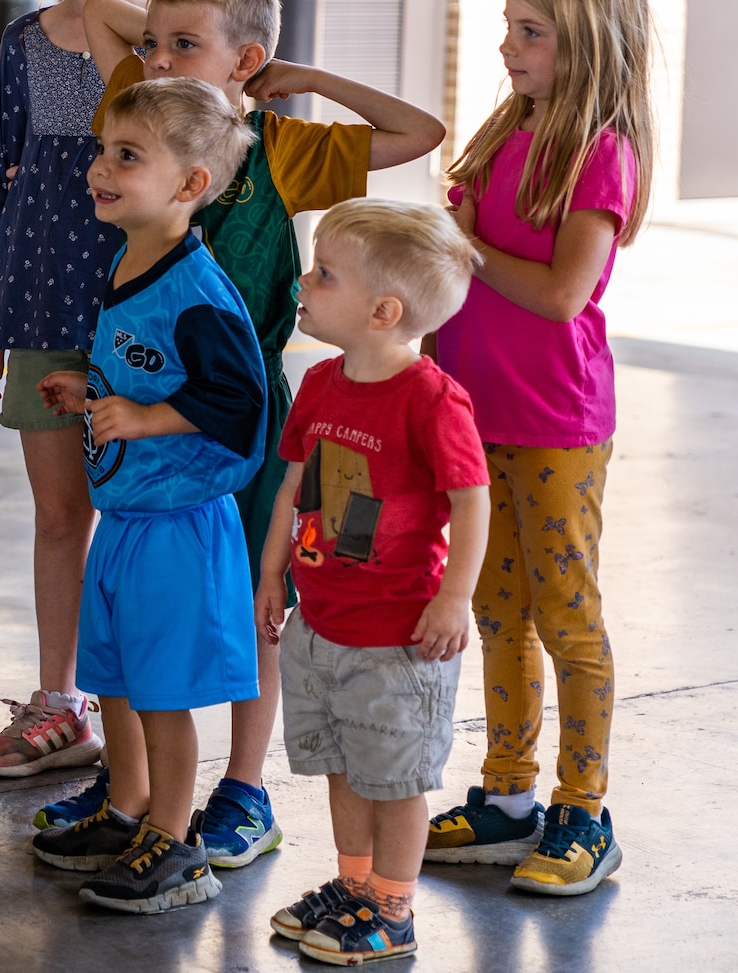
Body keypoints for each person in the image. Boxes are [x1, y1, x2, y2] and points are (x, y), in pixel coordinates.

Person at [47, 0, 445, 869]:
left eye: (186, 43)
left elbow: (419, 132)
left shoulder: (284, 143)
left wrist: (300, 80)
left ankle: (245, 785)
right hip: (144, 409)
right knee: (150, 613)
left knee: (249, 609)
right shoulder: (140, 114)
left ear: (248, 59)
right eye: (151, 43)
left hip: (239, 417)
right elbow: (100, 11)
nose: (156, 58)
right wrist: (163, 43)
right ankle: (136, 789)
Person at [422, 0, 654, 898]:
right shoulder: (503, 126)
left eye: (530, 32)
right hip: (475, 410)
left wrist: (462, 247)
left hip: (556, 420)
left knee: (566, 614)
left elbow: (563, 295)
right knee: (496, 607)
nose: (507, 47)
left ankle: (582, 807)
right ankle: (509, 795)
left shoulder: (601, 153)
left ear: (589, 42)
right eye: (508, 26)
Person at [0, 0, 164, 793]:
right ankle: (60, 700)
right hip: (41, 302)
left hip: (136, 316)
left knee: (134, 513)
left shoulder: (165, 43)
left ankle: (141, 716)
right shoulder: (20, 40)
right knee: (56, 515)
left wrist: (119, 21)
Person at [29, 77, 265, 914]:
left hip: (176, 526)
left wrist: (144, 415)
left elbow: (241, 405)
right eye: (104, 150)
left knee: (163, 696)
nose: (100, 167)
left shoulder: (198, 291)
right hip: (128, 520)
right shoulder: (131, 258)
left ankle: (176, 842)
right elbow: (143, 368)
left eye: (126, 156)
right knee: (119, 679)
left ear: (189, 186)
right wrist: (89, 388)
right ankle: (125, 807)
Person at [254, 198, 490, 966]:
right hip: (322, 624)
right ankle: (355, 889)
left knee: (394, 781)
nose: (305, 281)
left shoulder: (431, 399)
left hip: (397, 639)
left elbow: (471, 498)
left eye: (325, 274)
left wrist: (455, 597)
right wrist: (272, 574)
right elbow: (295, 484)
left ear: (384, 310)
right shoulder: (321, 382)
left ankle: (392, 907)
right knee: (343, 768)